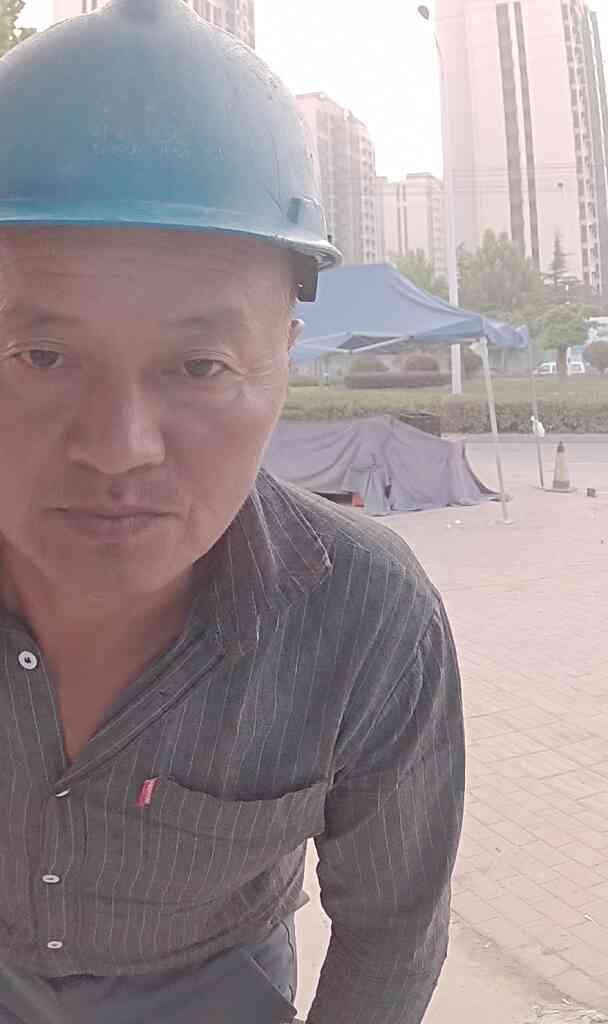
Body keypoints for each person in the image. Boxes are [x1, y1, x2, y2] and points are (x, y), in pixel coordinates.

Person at [0, 1, 465, 1022]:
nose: (117, 445)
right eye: (42, 355)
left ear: (282, 363)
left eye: (200, 365)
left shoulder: (367, 620)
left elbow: (391, 931)